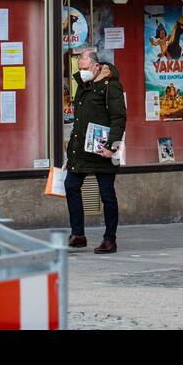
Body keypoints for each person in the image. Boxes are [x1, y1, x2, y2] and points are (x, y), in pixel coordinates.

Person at [64, 47, 126, 254]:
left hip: (103, 150)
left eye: (85, 67)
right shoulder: (82, 85)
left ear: (97, 66)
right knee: (71, 185)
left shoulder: (111, 86)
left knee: (107, 194)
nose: (82, 72)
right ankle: (78, 234)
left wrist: (112, 146)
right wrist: (71, 148)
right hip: (82, 149)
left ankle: (110, 239)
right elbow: (79, 120)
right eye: (80, 68)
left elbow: (119, 118)